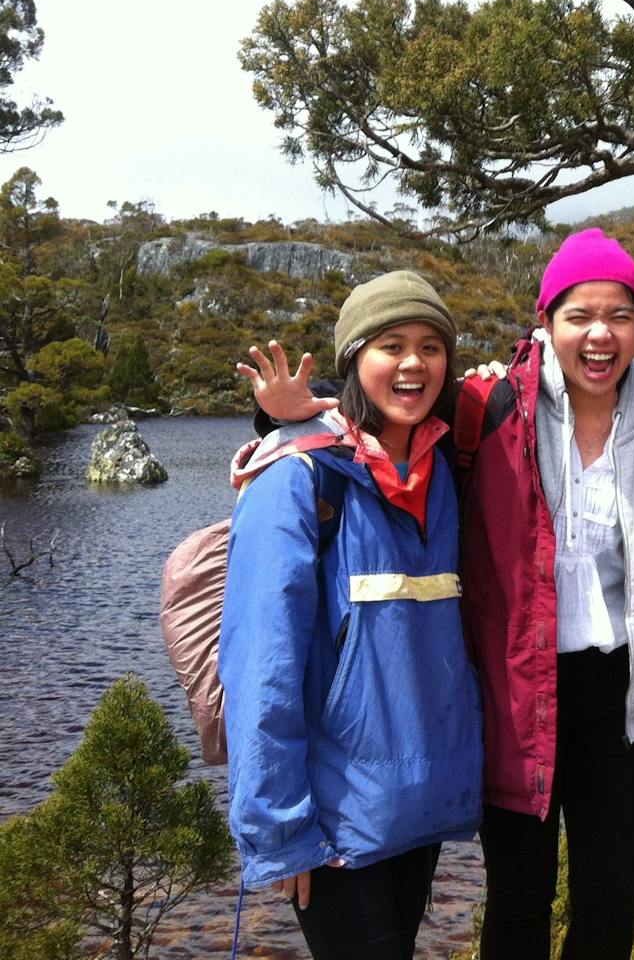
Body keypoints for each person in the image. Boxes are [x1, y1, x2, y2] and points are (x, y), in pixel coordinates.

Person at [245, 229, 634, 960]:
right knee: (519, 903)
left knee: (607, 906)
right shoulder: (490, 409)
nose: (599, 334)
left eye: (620, 315)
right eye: (578, 314)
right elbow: (380, 413)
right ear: (545, 323)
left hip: (623, 699)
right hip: (519, 689)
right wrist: (294, 415)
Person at [221, 269, 483, 959]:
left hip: (414, 805)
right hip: (334, 818)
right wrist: (280, 832)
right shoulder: (297, 479)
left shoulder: (443, 474)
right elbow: (261, 668)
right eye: (390, 344)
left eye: (431, 346)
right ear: (353, 361)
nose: (413, 363)